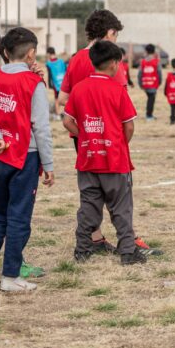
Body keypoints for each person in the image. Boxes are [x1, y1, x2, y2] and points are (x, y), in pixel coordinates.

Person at [55, 9, 160, 255]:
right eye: (115, 34)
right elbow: (123, 108)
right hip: (111, 141)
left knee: (91, 194)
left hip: (84, 139)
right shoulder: (112, 59)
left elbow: (62, 99)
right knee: (119, 195)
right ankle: (130, 241)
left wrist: (84, 130)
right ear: (109, 32)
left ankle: (94, 239)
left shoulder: (76, 60)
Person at [0, 27, 55, 292]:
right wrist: (49, 165)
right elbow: (41, 128)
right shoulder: (33, 83)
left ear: (4, 52)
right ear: (31, 54)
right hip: (25, 157)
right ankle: (10, 277)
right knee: (19, 217)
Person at [62, 41, 147, 265]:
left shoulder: (79, 88)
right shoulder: (117, 89)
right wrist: (119, 143)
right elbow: (128, 126)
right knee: (120, 206)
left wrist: (85, 137)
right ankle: (128, 251)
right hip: (114, 159)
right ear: (114, 64)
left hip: (88, 158)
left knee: (89, 205)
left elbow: (67, 121)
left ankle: (82, 248)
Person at [137, 44, 162, 121]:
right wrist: (159, 82)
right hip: (153, 83)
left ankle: (149, 114)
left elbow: (139, 74)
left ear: (146, 51)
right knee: (151, 99)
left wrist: (140, 84)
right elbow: (159, 73)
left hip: (145, 83)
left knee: (150, 99)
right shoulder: (156, 61)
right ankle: (149, 116)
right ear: (154, 51)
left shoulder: (143, 62)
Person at [45, 46, 67, 121]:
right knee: (66, 98)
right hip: (64, 83)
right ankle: (66, 113)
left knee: (57, 99)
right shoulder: (61, 61)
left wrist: (50, 85)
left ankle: (58, 115)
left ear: (48, 53)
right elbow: (66, 71)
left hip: (56, 84)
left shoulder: (48, 64)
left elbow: (50, 76)